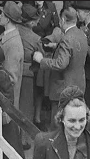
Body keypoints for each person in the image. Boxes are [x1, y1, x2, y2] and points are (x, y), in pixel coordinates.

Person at [33, 6, 88, 130]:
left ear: (63, 20)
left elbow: (61, 64)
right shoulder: (81, 34)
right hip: (78, 85)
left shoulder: (67, 38)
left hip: (62, 89)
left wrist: (41, 60)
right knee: (73, 125)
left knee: (58, 125)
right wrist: (57, 46)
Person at [17, 3, 44, 150]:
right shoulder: (35, 38)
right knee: (26, 107)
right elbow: (41, 57)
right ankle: (24, 140)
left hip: (14, 71)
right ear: (32, 22)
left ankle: (14, 136)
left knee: (14, 104)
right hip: (28, 73)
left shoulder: (14, 31)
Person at [32, 1, 60, 131]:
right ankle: (37, 118)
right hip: (36, 48)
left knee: (48, 87)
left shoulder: (51, 6)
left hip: (48, 50)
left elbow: (57, 24)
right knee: (38, 87)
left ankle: (48, 120)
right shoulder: (30, 6)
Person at [73, 1, 90, 114]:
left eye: (79, 11)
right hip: (84, 72)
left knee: (88, 104)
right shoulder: (81, 25)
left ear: (87, 12)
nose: (77, 14)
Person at [0, 1, 24, 111]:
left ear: (7, 19)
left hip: (6, 103)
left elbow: (10, 79)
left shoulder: (13, 44)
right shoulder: (5, 35)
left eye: (2, 14)